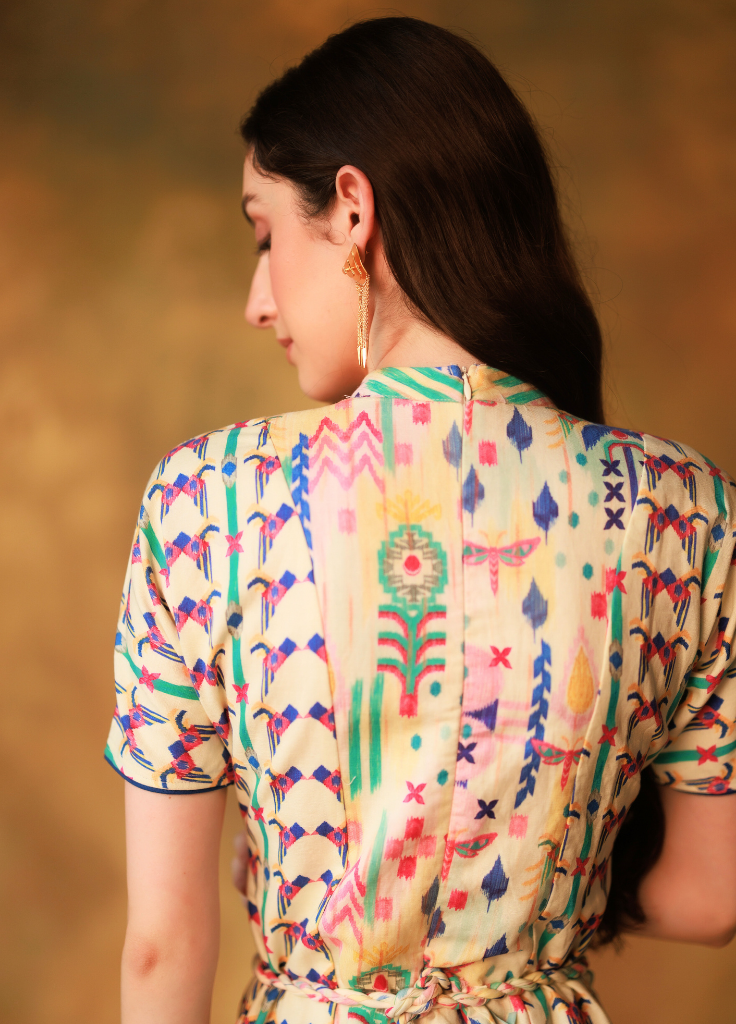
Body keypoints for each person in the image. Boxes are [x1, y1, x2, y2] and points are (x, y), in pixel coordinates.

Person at [105, 17, 736, 1024]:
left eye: (265, 235)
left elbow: (161, 948)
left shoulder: (208, 501)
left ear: (353, 209)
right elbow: (711, 899)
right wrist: (541, 884)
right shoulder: (683, 512)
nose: (258, 300)